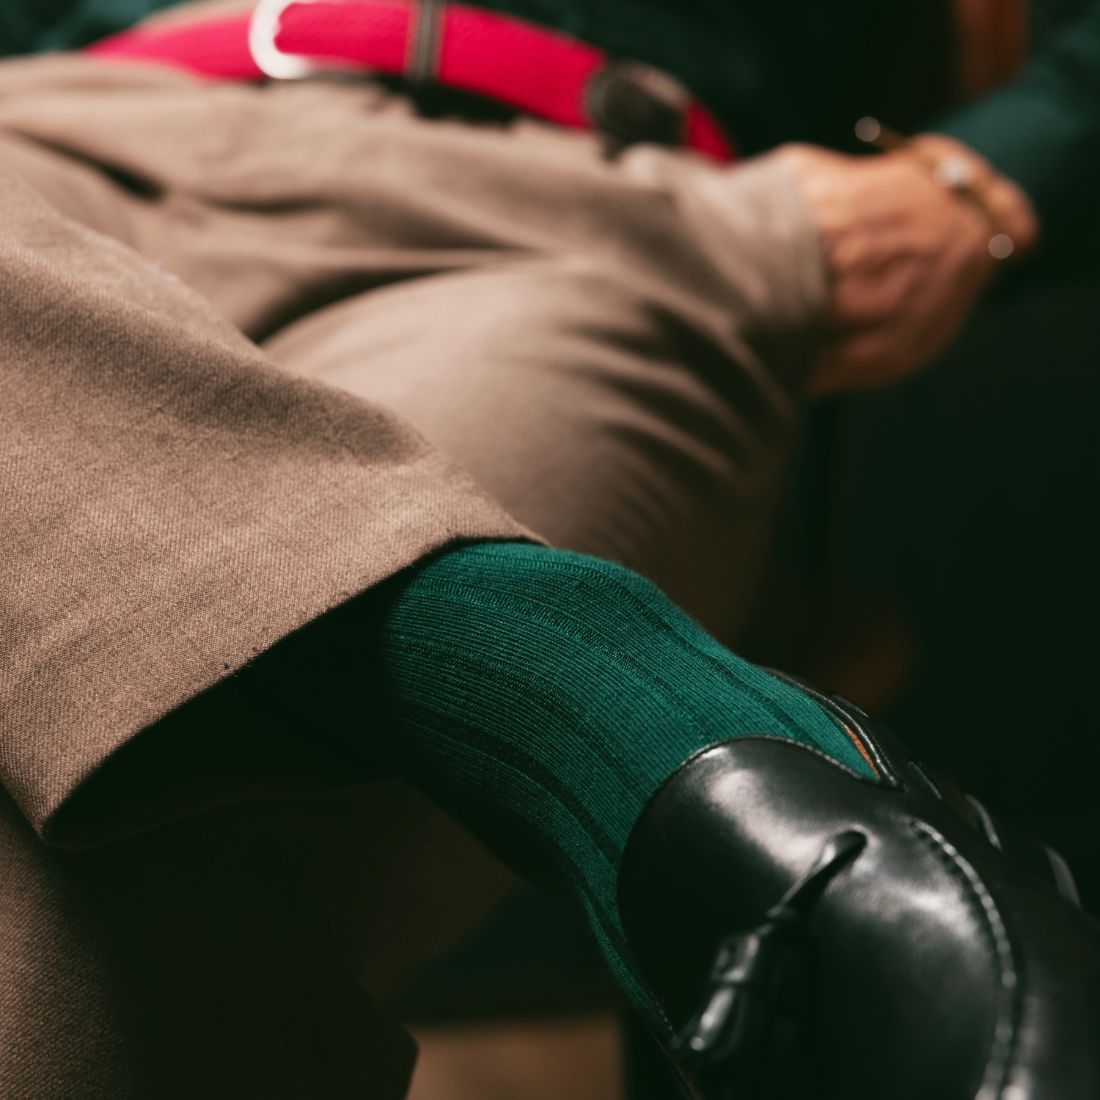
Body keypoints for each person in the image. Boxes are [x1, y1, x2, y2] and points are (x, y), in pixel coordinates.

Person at [1, 2, 1099, 1099]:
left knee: (176, 808)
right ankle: (612, 698)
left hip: (571, 201)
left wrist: (1000, 169)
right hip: (52, 154)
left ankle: (556, 681)